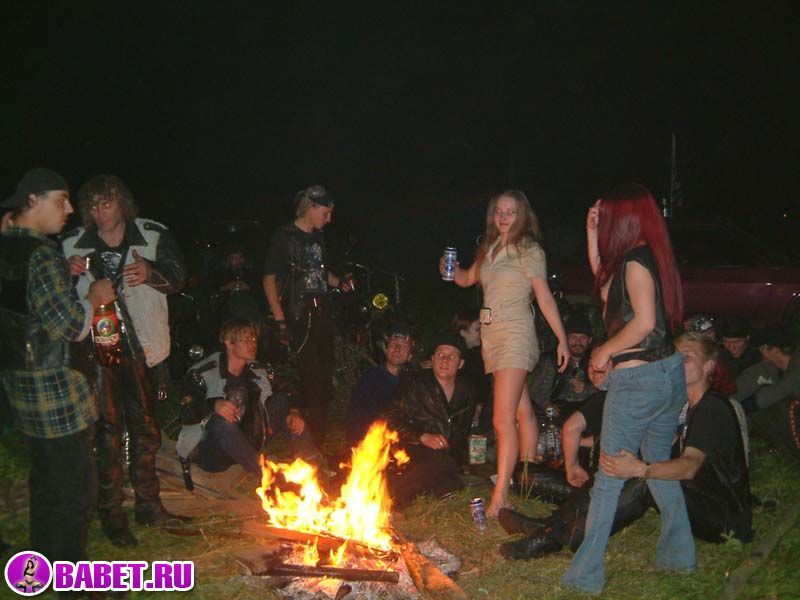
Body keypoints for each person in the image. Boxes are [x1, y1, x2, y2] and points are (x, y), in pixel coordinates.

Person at [500, 333, 753, 559]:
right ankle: (549, 527)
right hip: (690, 496)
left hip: (724, 518)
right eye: (673, 357)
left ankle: (558, 536)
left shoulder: (712, 407)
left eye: (686, 358)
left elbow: (689, 467)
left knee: (644, 480)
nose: (676, 363)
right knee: (615, 470)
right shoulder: (680, 406)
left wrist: (641, 469)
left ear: (708, 366)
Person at [561, 183, 693, 595]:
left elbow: (644, 322)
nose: (602, 224)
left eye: (606, 219)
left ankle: (584, 576)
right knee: (658, 466)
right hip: (666, 375)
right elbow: (606, 290)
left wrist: (604, 351)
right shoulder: (644, 258)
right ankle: (679, 556)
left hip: (639, 383)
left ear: (624, 221)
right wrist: (590, 234)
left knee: (609, 477)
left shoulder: (635, 263)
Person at [62, 174, 189, 547]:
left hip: (142, 347)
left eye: (107, 203)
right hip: (98, 351)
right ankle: (112, 514)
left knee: (147, 429)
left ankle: (149, 506)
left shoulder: (151, 234)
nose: (101, 212)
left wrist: (151, 272)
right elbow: (54, 302)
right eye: (94, 205)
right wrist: (66, 275)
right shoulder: (72, 244)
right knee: (108, 433)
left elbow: (179, 278)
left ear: (122, 203)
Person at [0, 169, 115, 567]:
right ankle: (71, 582)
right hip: (53, 385)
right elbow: (68, 325)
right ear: (32, 200)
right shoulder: (42, 254)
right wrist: (96, 298)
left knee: (46, 481)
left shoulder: (8, 247)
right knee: (75, 489)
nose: (69, 209)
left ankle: (41, 565)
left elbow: (24, 306)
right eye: (61, 199)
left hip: (20, 380)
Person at [442, 190, 568, 517]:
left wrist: (562, 339)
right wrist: (450, 270)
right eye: (499, 211)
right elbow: (466, 279)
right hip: (492, 337)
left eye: (510, 212)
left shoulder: (530, 250)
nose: (504, 217)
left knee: (501, 418)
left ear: (522, 215)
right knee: (522, 410)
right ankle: (528, 474)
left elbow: (544, 297)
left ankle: (501, 496)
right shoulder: (489, 248)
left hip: (515, 334)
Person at [262, 185, 352, 447]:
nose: (329, 219)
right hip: (299, 316)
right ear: (311, 207)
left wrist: (339, 283)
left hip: (322, 314)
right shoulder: (285, 236)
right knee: (311, 382)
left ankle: (317, 444)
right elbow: (268, 279)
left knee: (325, 382)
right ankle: (310, 447)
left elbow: (318, 274)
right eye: (326, 212)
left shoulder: (318, 237)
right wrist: (280, 320)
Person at [177, 319, 322, 479]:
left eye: (253, 339)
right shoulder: (202, 373)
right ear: (229, 342)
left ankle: (314, 469)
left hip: (247, 441)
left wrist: (294, 411)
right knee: (221, 422)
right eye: (245, 340)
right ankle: (268, 477)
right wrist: (214, 405)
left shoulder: (258, 369)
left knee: (283, 402)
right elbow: (186, 411)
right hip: (211, 451)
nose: (252, 344)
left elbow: (290, 388)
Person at [384, 333, 477, 509]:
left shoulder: (468, 390)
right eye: (440, 354)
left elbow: (464, 429)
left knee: (450, 484)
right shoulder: (414, 384)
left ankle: (431, 487)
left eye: (452, 356)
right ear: (433, 359)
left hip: (448, 455)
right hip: (413, 448)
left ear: (460, 363)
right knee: (440, 466)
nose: (445, 360)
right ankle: (394, 497)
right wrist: (423, 436)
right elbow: (391, 418)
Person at [345, 323, 414, 447]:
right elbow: (355, 422)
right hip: (372, 445)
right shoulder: (368, 381)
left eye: (403, 346)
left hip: (402, 443)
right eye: (393, 344)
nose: (397, 349)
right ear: (386, 350)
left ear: (410, 356)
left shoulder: (413, 382)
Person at [531, 311, 596, 422]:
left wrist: (586, 389)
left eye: (583, 338)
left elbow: (608, 389)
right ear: (565, 339)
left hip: (588, 413)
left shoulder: (596, 360)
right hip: (560, 413)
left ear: (589, 340)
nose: (578, 342)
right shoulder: (553, 360)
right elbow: (537, 390)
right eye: (573, 337)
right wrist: (547, 405)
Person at [450, 308, 493, 433]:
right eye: (477, 330)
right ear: (463, 332)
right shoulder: (453, 356)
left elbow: (483, 383)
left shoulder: (478, 354)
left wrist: (480, 403)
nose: (482, 333)